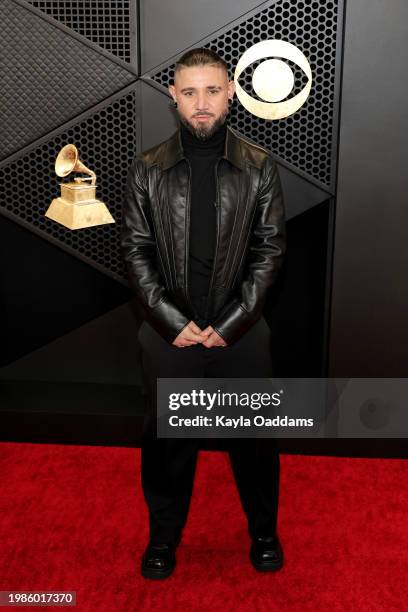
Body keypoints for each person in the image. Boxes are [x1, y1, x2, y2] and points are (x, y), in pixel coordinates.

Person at [121, 47, 286, 580]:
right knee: (168, 445)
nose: (201, 104)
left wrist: (233, 324)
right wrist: (172, 323)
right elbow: (135, 253)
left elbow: (269, 253)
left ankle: (264, 531)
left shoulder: (259, 167)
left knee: (254, 444)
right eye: (189, 92)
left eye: (212, 91)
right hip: (169, 335)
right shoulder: (147, 169)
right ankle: (163, 538)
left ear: (231, 93)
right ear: (172, 96)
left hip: (242, 334)